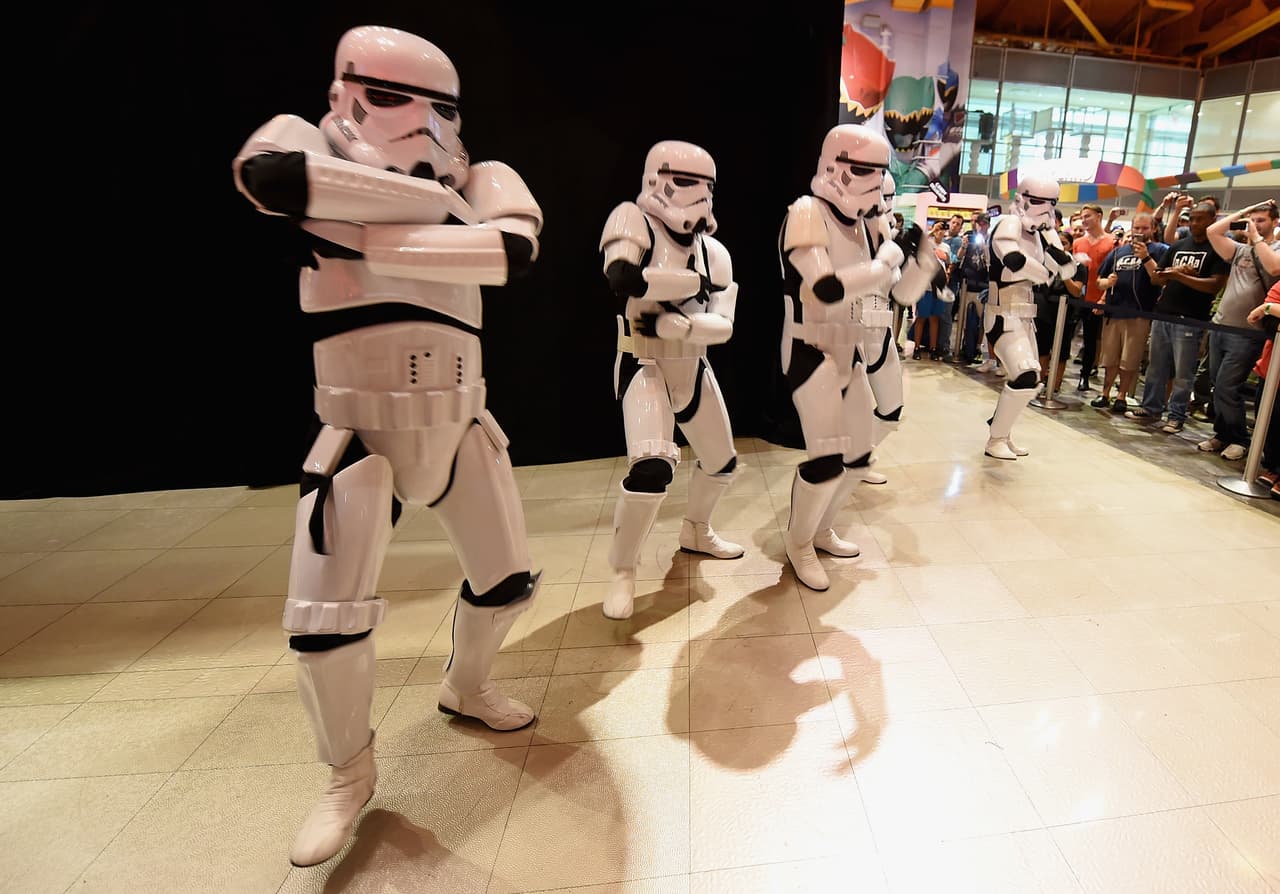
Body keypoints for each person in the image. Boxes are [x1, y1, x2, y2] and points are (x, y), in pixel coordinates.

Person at [232, 26, 545, 867]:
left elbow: (508, 250)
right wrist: (439, 216)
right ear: (346, 92)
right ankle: (346, 776)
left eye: (440, 107)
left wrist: (356, 227)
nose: (422, 125)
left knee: (508, 582)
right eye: (395, 98)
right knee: (325, 624)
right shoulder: (301, 136)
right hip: (356, 428)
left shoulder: (480, 176)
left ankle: (467, 684)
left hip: (459, 421)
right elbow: (272, 179)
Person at [599, 141, 743, 619]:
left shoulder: (713, 251)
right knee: (651, 469)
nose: (697, 197)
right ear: (656, 179)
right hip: (644, 364)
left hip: (691, 362)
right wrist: (690, 287)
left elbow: (724, 324)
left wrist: (677, 324)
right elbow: (624, 278)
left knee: (722, 463)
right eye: (685, 183)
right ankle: (622, 568)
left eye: (706, 187)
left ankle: (696, 530)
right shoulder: (631, 221)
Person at [777, 124, 902, 590]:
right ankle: (799, 541)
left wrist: (899, 262)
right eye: (864, 171)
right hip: (810, 348)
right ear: (835, 167)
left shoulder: (863, 223)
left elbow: (882, 292)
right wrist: (884, 263)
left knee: (860, 454)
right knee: (827, 456)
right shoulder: (807, 212)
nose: (873, 183)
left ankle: (820, 528)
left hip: (848, 347)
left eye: (879, 174)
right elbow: (825, 288)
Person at [982, 174, 1077, 459]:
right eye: (1037, 202)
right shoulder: (1008, 224)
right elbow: (1013, 260)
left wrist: (1053, 248)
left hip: (1025, 316)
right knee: (1024, 374)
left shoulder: (1040, 234)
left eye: (1050, 204)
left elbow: (1069, 269)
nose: (1043, 209)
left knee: (1031, 379)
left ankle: (1003, 433)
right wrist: (1047, 271)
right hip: (1003, 314)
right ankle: (995, 439)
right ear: (1022, 199)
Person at [1126, 202, 1230, 434]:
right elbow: (1157, 278)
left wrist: (1179, 276)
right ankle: (1151, 407)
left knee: (1183, 373)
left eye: (1200, 219)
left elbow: (1214, 285)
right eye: (1191, 219)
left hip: (1191, 317)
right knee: (1156, 367)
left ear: (1213, 220)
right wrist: (1175, 274)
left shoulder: (1218, 249)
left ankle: (1176, 415)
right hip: (1164, 312)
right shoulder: (1179, 245)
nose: (1194, 224)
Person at [1198, 200, 1280, 460]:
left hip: (1247, 332)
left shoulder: (1274, 248)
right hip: (1221, 324)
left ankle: (1239, 439)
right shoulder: (1239, 250)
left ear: (1275, 223)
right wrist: (1247, 209)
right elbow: (1213, 232)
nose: (1254, 225)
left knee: (1227, 386)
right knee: (1215, 384)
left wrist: (1256, 237)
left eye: (1261, 220)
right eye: (1252, 220)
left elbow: (1274, 268)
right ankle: (1222, 434)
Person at [1092, 212, 1168, 412]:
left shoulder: (1159, 250)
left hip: (1139, 313)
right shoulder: (1118, 252)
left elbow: (1159, 278)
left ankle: (1122, 396)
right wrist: (1107, 283)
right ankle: (1105, 393)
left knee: (1129, 359)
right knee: (1109, 357)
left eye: (1144, 228)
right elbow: (1099, 281)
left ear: (1153, 229)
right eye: (1136, 228)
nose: (1140, 232)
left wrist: (1146, 257)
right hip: (1114, 310)